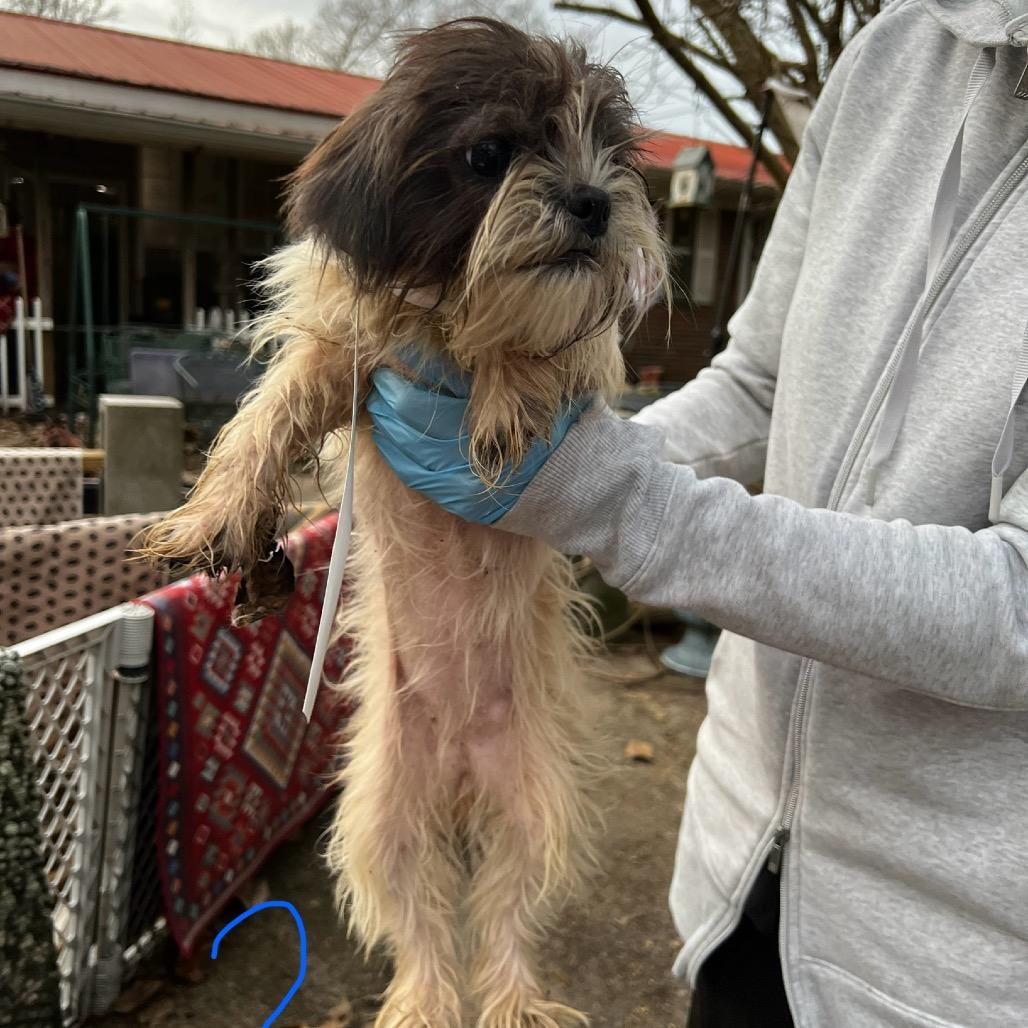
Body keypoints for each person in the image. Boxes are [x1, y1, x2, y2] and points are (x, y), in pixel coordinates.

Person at [366, 0, 1028, 1024]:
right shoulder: (890, 55)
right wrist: (550, 467)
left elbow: (1014, 608)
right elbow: (758, 380)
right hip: (739, 868)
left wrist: (605, 498)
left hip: (958, 966)